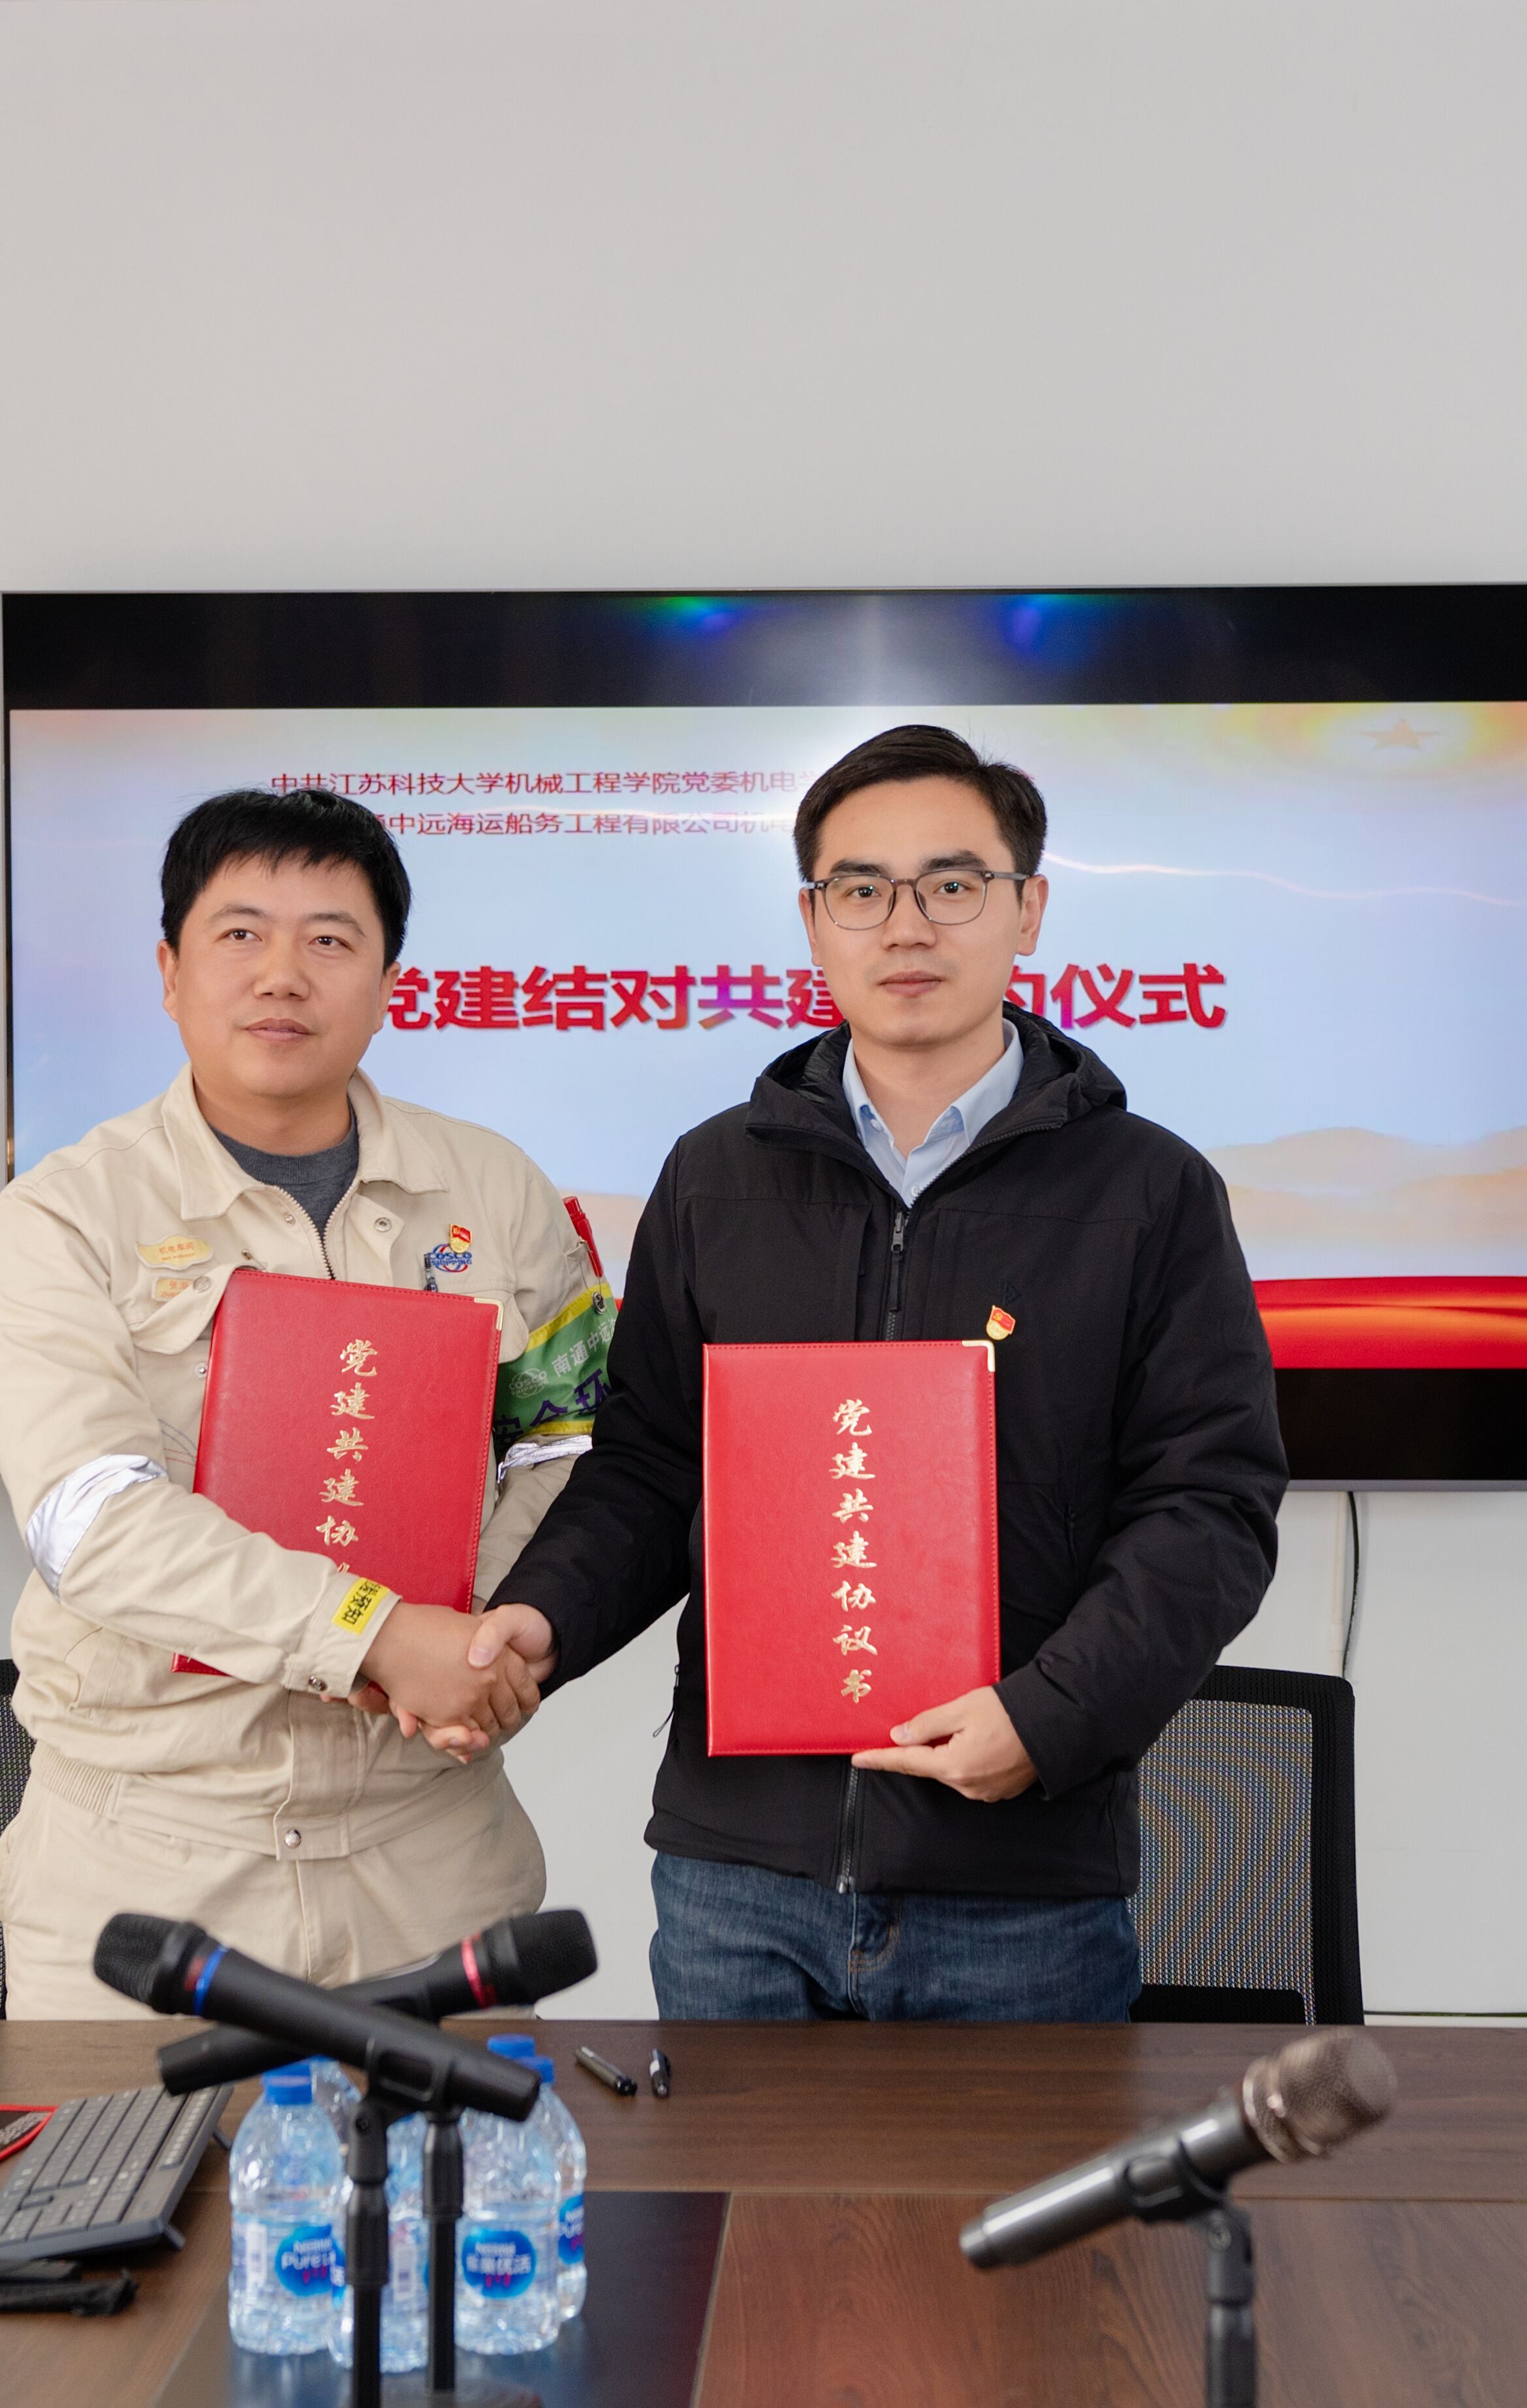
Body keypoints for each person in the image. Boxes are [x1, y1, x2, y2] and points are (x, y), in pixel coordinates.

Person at [462, 723, 1289, 2021]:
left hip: (1020, 1882)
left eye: (951, 884)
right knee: (730, 2173)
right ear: (812, 920)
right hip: (741, 1877)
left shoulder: (1150, 1191)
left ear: (1027, 910)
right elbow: (650, 1468)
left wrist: (1050, 1719)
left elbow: (1208, 1506)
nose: (906, 925)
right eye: (861, 888)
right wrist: (542, 1616)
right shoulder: (714, 1175)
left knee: (1023, 2176)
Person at [0, 788, 612, 2017]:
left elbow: (568, 1439)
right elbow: (91, 1518)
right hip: (154, 1866)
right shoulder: (64, 1214)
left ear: (388, 982)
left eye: (329, 938)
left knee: (464, 2154)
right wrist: (375, 1635)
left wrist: (476, 1638)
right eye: (240, 934)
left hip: (430, 1854)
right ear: (170, 972)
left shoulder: (499, 1189)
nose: (283, 974)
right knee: (131, 2155)